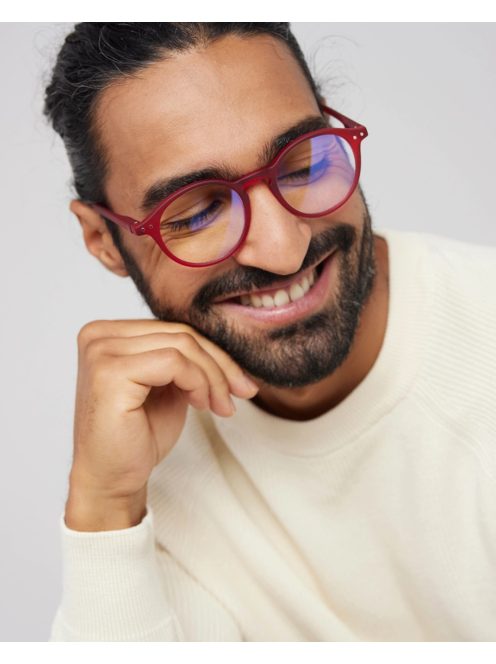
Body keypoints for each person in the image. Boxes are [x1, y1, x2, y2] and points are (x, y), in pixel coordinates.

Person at [43, 22, 496, 642]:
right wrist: (105, 510)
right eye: (197, 210)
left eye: (300, 164)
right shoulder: (142, 463)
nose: (285, 249)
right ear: (103, 239)